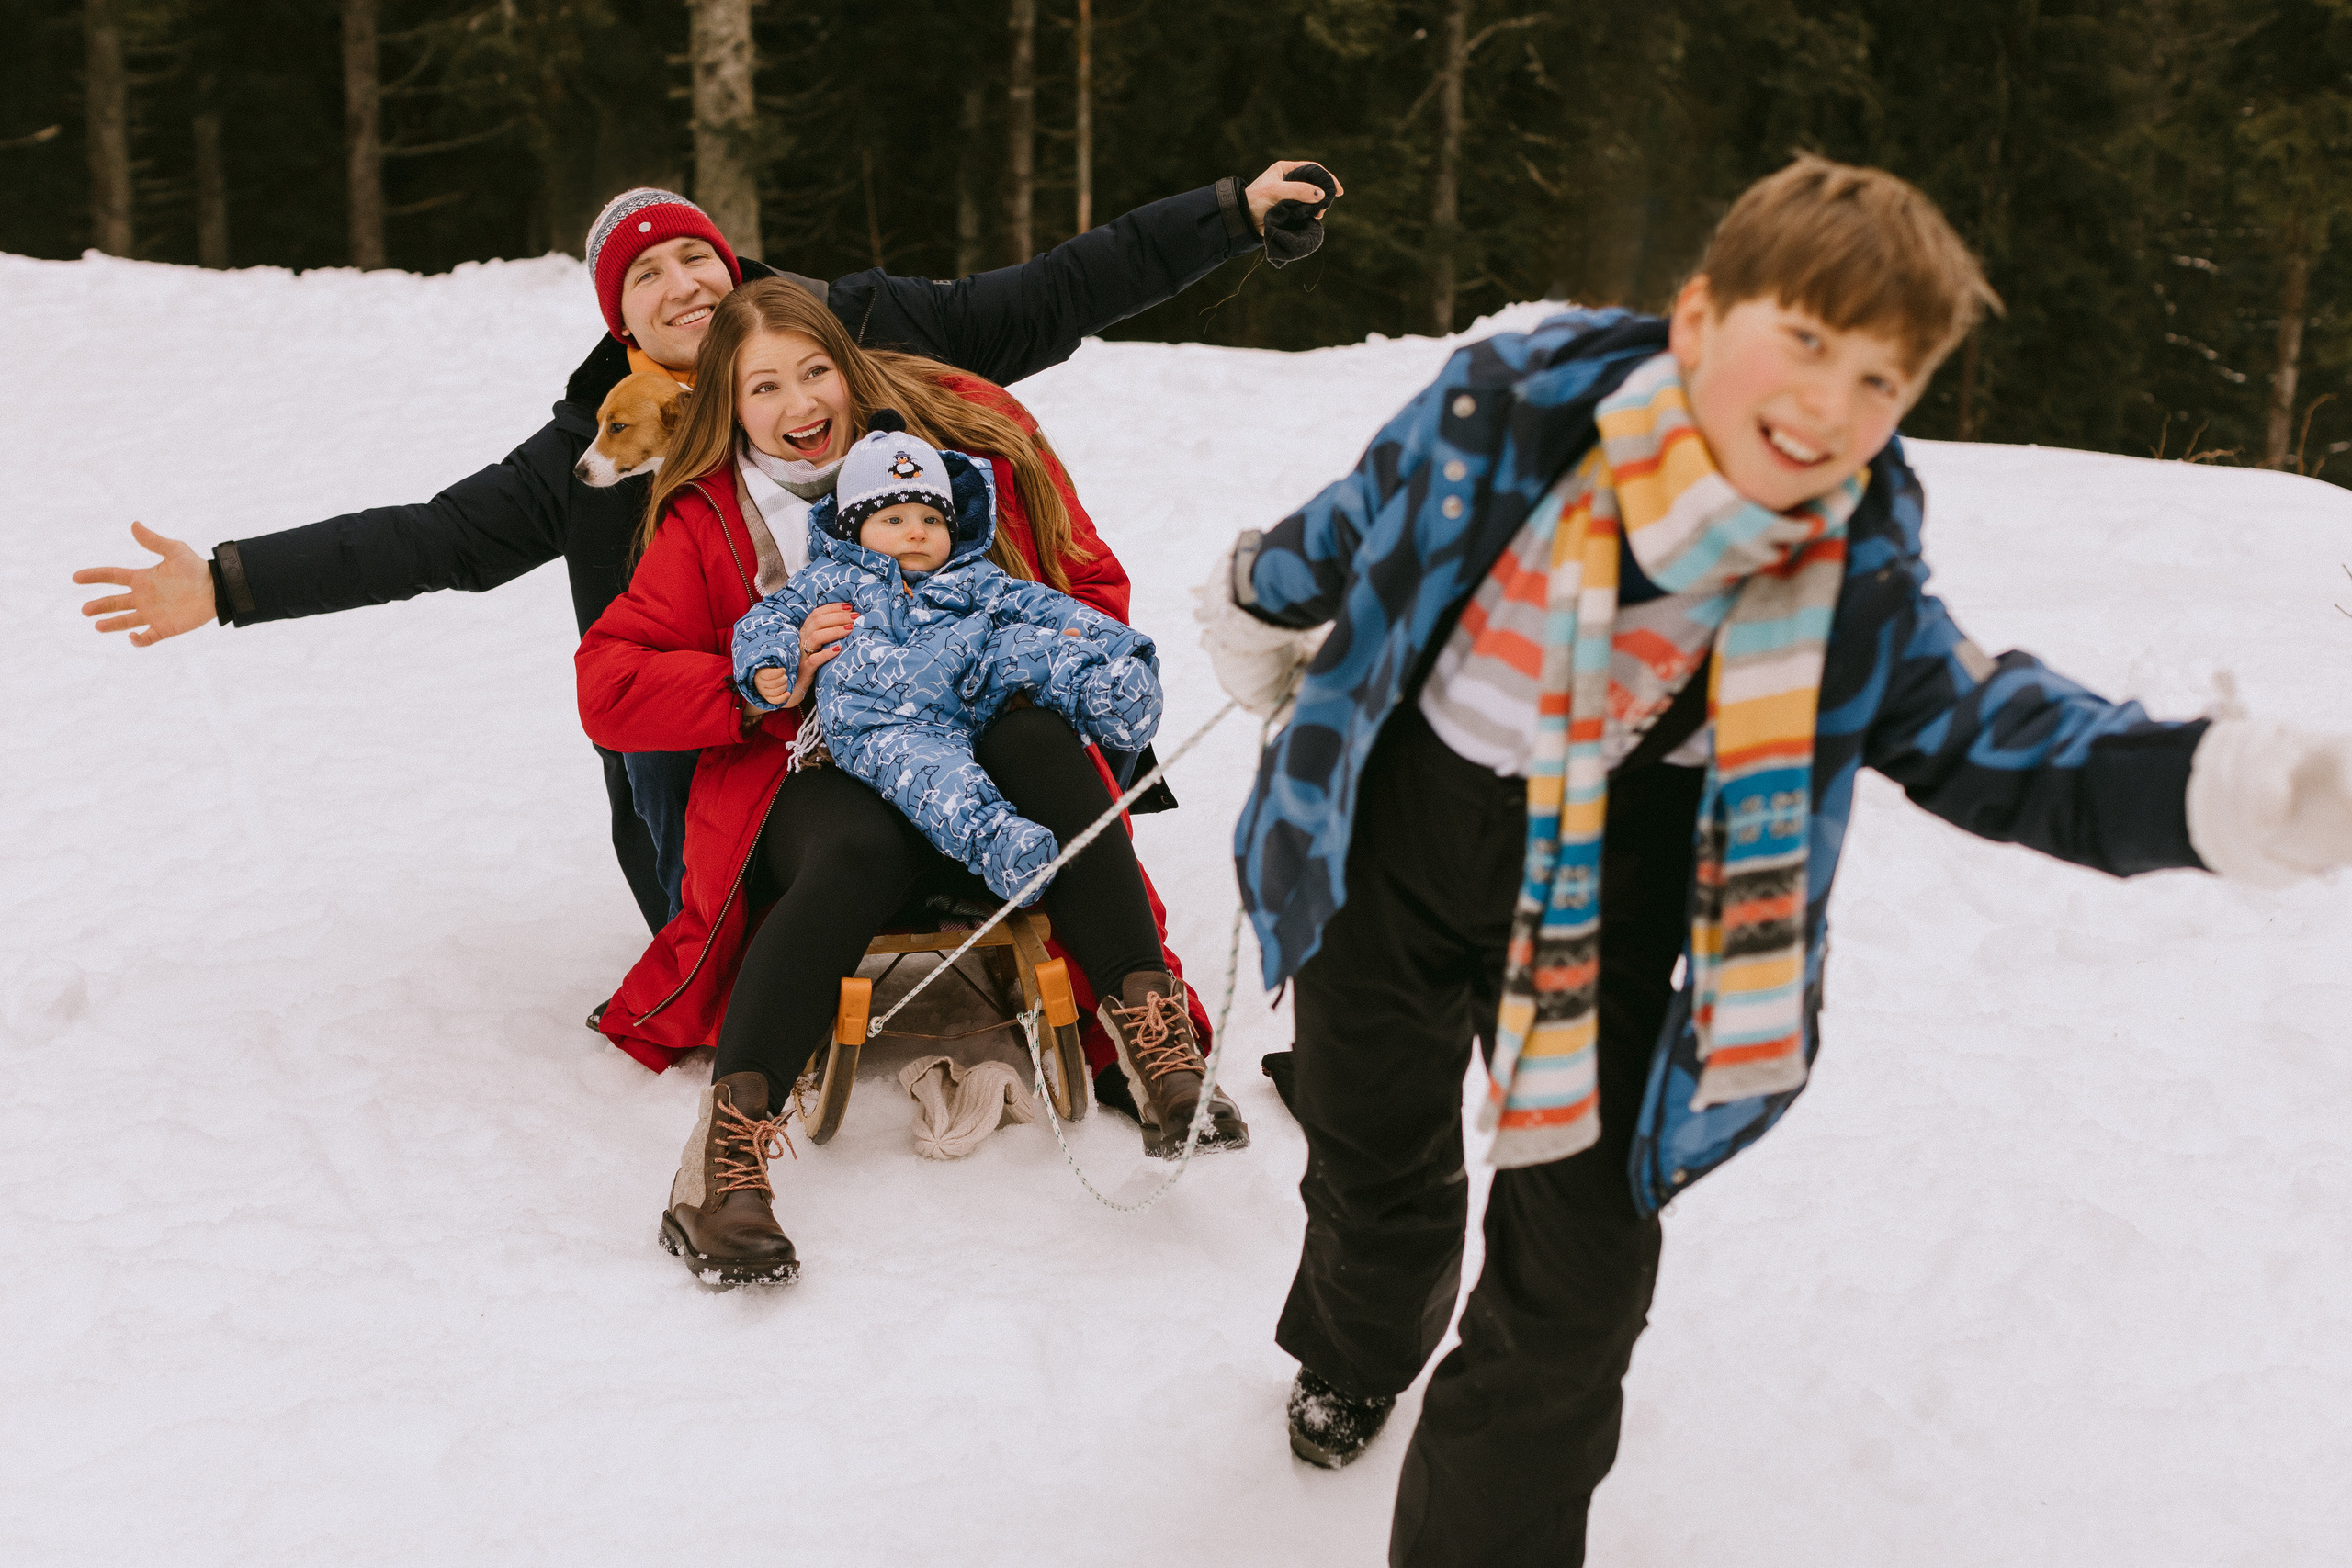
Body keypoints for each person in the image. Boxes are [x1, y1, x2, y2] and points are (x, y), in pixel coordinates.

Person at [1193, 155, 2352, 1564]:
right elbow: (1363, 516)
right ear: (1698, 322)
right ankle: (1357, 1343)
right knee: (1378, 1155)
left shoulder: (1847, 568)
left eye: (1881, 380)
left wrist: (2219, 787)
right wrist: (1260, 595)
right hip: (1391, 841)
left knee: (1575, 1293)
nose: (1832, 405)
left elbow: (1991, 730)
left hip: (1608, 911)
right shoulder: (1515, 407)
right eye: (1805, 342)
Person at [69, 162, 1344, 933]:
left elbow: (1055, 291)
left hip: (931, 699)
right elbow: (431, 540)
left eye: (695, 254)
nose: (682, 281)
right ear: (622, 326)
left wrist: (1229, 213)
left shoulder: (861, 335)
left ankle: (1058, 944)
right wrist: (230, 580)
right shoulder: (596, 450)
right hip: (748, 750)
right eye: (646, 277)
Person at [580, 278, 1245, 1283]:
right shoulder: (707, 517)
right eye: (764, 388)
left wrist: (1031, 649)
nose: (799, 406)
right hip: (822, 766)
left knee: (1038, 739)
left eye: (814, 373)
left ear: (847, 373)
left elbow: (1082, 585)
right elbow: (611, 686)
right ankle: (723, 1168)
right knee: (860, 844)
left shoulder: (950, 472)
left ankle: (1152, 1044)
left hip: (982, 745)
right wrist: (761, 678)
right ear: (725, 404)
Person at [730, 415, 1247, 1159]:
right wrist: (772, 668)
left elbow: (1055, 612)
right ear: (851, 528)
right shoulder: (828, 585)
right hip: (880, 752)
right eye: (893, 517)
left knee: (1031, 658)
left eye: (930, 519)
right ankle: (1002, 844)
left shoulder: (978, 581)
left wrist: (1115, 651)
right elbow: (764, 622)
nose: (915, 532)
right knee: (933, 768)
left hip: (973, 722)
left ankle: (1157, 1048)